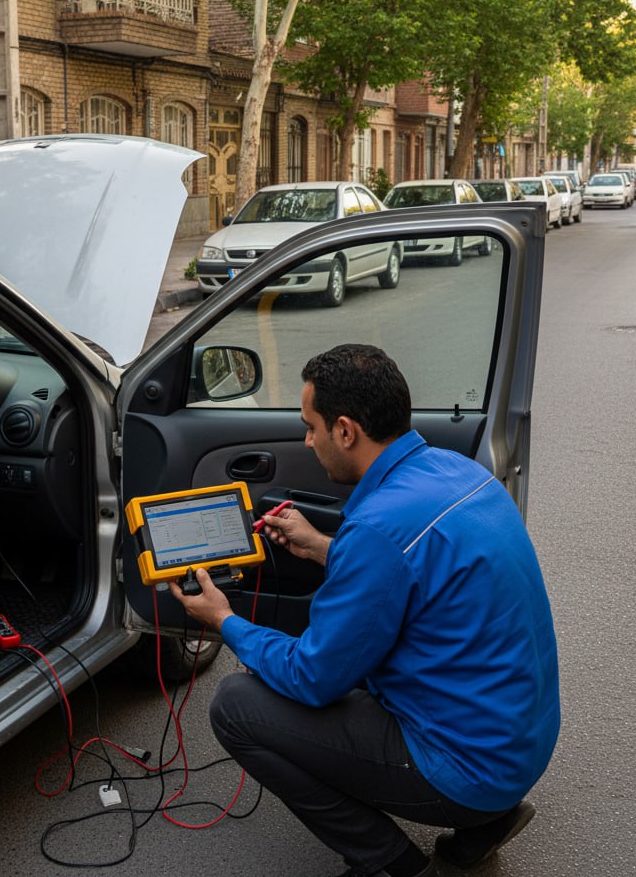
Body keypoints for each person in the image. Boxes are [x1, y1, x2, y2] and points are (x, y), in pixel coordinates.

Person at [170, 344, 560, 877]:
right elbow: (415, 576)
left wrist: (224, 621)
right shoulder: (457, 472)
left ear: (346, 430)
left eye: (311, 427)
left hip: (466, 770)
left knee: (235, 705)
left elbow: (313, 677)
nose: (307, 441)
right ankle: (485, 824)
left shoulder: (377, 530)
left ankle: (392, 865)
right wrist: (326, 546)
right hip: (521, 746)